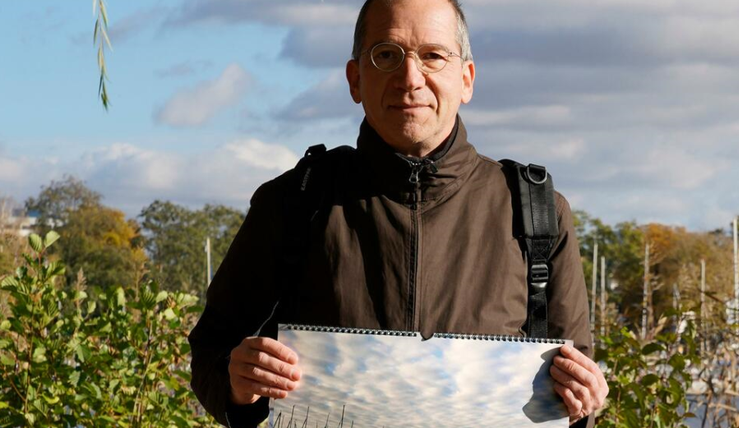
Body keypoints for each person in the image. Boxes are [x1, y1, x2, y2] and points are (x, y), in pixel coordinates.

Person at [188, 0, 609, 426]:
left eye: (433, 56)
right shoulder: (293, 201)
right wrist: (237, 383)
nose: (410, 78)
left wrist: (584, 400)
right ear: (355, 79)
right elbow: (211, 352)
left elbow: (574, 397)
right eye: (386, 55)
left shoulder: (537, 212)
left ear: (466, 79)